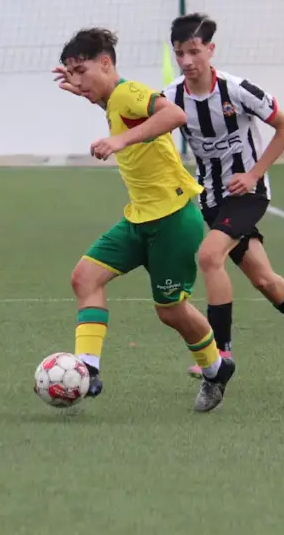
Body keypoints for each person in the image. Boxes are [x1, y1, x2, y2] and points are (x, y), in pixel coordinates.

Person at [52, 28, 235, 413]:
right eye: (72, 73)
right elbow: (125, 115)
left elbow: (174, 114)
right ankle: (88, 369)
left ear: (106, 63)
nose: (78, 81)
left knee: (171, 311)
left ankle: (216, 368)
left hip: (173, 219)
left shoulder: (129, 92)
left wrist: (118, 142)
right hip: (140, 218)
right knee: (85, 278)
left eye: (82, 71)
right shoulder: (114, 100)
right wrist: (88, 95)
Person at [162, 13, 284, 377]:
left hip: (249, 193)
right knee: (264, 280)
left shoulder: (238, 90)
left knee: (209, 256)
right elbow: (140, 121)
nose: (187, 61)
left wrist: (254, 173)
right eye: (179, 53)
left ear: (210, 49)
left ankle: (220, 354)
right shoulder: (172, 97)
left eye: (194, 51)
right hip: (210, 198)